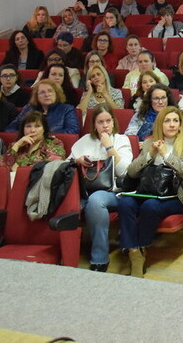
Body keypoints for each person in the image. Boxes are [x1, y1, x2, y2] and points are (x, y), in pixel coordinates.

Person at [117, 105, 183, 277]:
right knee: (125, 204)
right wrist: (149, 155)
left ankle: (142, 246)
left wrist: (167, 156)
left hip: (174, 196)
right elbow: (131, 171)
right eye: (167, 121)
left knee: (150, 206)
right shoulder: (148, 143)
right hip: (146, 191)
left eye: (176, 121)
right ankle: (134, 252)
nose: (172, 124)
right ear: (160, 124)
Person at [69, 104, 134, 271]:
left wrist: (109, 148)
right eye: (100, 122)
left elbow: (124, 173)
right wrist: (77, 161)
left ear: (113, 122)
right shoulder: (84, 141)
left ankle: (99, 258)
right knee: (73, 200)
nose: (105, 125)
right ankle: (64, 254)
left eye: (108, 121)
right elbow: (65, 166)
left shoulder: (121, 140)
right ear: (94, 124)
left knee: (95, 201)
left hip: (113, 192)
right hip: (83, 190)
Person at [0, 109, 66, 173]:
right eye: (28, 126)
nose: (32, 130)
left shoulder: (54, 143)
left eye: (37, 126)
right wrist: (16, 146)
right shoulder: (15, 145)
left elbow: (52, 166)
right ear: (23, 129)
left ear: (44, 129)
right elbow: (1, 170)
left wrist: (20, 171)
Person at [8, 79, 78, 134]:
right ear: (36, 96)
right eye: (42, 92)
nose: (47, 95)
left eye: (50, 91)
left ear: (56, 94)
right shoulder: (28, 108)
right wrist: (25, 134)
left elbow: (73, 130)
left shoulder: (66, 109)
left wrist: (43, 135)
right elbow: (10, 129)